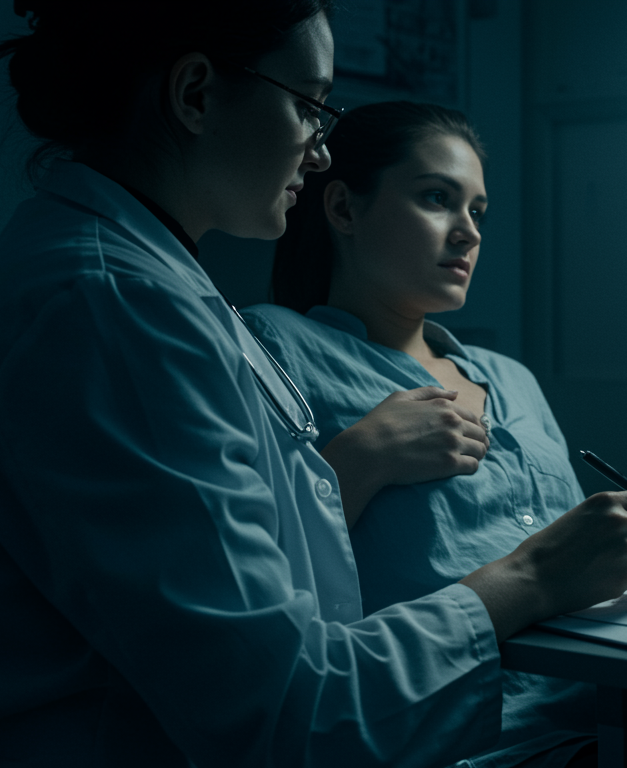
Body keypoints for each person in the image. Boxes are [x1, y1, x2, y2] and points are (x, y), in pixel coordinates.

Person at [0, 3, 627, 767]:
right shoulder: (108, 309)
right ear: (196, 94)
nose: (320, 148)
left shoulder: (160, 294)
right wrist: (532, 576)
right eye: (309, 105)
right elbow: (284, 720)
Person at [241, 103, 593, 767]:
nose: (467, 233)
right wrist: (359, 460)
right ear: (343, 208)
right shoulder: (272, 347)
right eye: (438, 198)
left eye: (478, 213)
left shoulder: (511, 379)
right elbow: (252, 575)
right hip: (474, 739)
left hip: (612, 703)